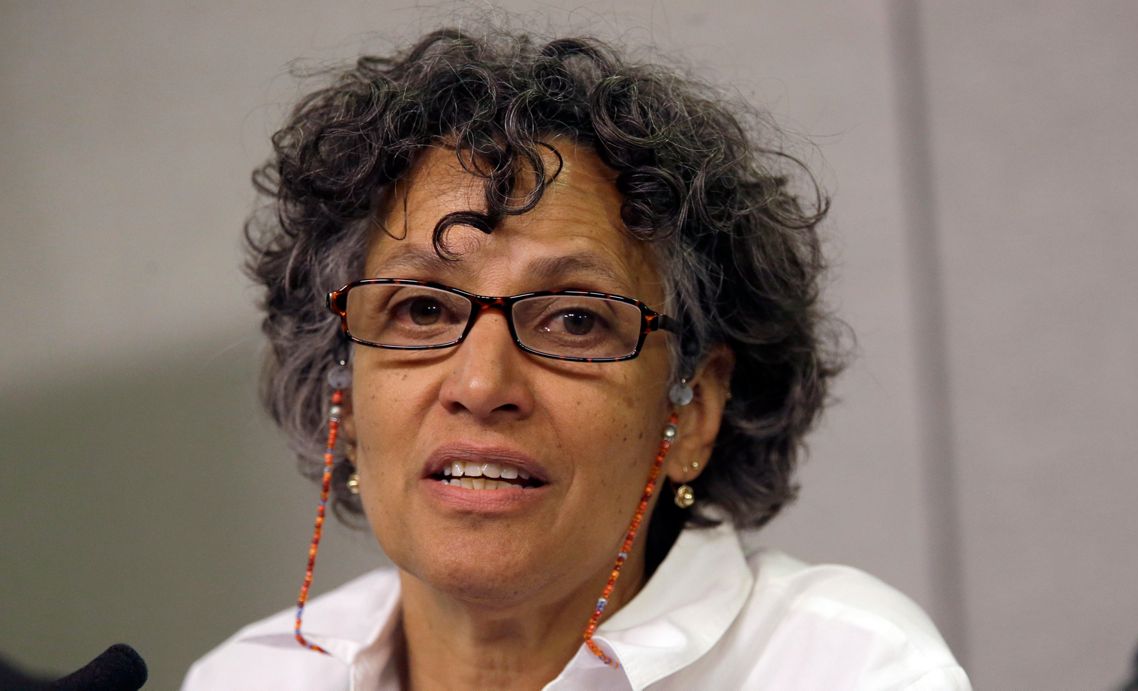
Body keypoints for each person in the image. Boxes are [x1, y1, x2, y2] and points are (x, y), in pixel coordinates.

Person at [183, 26, 971, 691]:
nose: (481, 383)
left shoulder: (845, 667)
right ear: (345, 396)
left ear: (693, 410)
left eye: (573, 320)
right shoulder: (248, 678)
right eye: (423, 309)